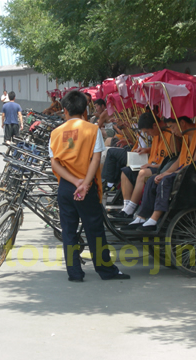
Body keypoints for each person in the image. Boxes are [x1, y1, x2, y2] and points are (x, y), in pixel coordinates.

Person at [49, 90, 130, 282]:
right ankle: (105, 270)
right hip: (87, 187)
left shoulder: (56, 133)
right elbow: (95, 160)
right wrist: (84, 183)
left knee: (68, 230)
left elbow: (55, 164)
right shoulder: (92, 130)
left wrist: (74, 182)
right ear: (85, 110)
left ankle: (74, 273)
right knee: (94, 229)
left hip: (66, 188)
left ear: (65, 110)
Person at [122, 116, 196, 231]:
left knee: (165, 180)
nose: (172, 131)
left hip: (193, 175)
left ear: (182, 123)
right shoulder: (187, 136)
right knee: (152, 179)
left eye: (172, 127)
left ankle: (154, 219)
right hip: (182, 170)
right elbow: (180, 159)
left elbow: (194, 165)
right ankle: (141, 216)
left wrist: (170, 174)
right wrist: (166, 172)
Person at [112, 112, 175, 219]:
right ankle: (126, 206)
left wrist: (155, 166)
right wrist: (147, 149)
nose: (148, 134)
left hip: (160, 167)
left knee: (142, 173)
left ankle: (131, 208)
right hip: (151, 164)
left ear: (155, 125)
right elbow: (157, 150)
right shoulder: (156, 134)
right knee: (126, 171)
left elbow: (172, 159)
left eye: (147, 131)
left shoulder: (170, 135)